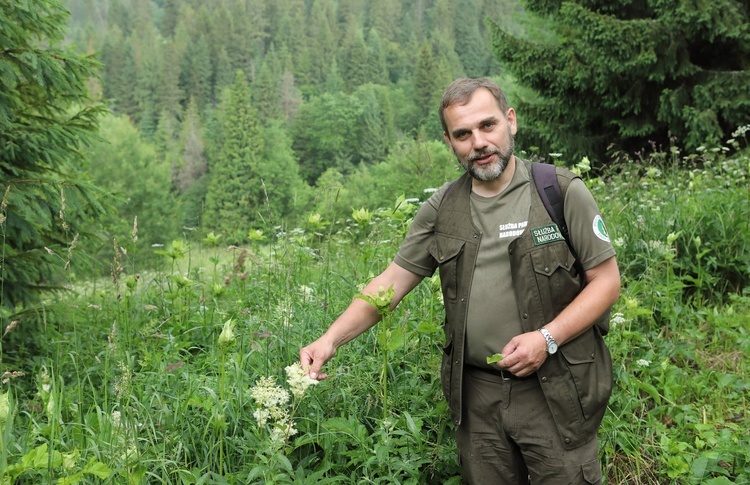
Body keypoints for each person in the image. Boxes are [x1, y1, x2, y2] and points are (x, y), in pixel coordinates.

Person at [300, 77, 620, 484]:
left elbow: (607, 283)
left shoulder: (559, 191)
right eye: (463, 134)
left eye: (488, 126)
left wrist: (547, 338)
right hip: (478, 398)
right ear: (450, 142)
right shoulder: (441, 209)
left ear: (511, 121)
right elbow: (391, 283)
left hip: (556, 388)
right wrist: (329, 340)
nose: (479, 143)